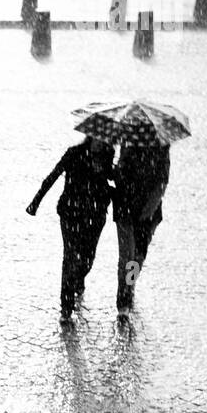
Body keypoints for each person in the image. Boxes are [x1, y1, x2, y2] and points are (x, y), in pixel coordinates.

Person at [27, 136, 114, 321]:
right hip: (70, 212)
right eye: (97, 138)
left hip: (95, 215)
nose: (101, 142)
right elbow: (53, 176)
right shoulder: (74, 153)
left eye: (104, 139)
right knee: (70, 256)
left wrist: (112, 175)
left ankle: (78, 279)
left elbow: (112, 180)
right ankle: (66, 307)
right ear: (90, 136)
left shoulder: (108, 156)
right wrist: (36, 201)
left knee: (88, 258)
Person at [111, 136, 171, 313]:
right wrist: (118, 168)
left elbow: (162, 182)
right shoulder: (127, 144)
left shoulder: (161, 148)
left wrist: (149, 209)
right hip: (125, 208)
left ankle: (129, 285)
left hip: (147, 214)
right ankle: (123, 298)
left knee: (138, 255)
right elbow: (119, 177)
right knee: (126, 256)